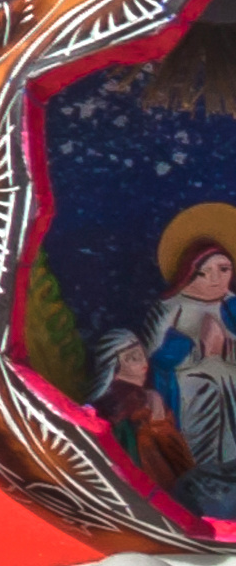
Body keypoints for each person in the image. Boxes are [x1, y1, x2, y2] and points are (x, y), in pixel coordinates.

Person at [93, 209, 236, 517]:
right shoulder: (171, 308)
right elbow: (154, 354)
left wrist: (227, 349)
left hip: (232, 386)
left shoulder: (232, 303)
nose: (215, 279)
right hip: (193, 394)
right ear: (187, 273)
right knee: (203, 453)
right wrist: (197, 348)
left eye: (223, 269)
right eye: (204, 272)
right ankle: (205, 491)